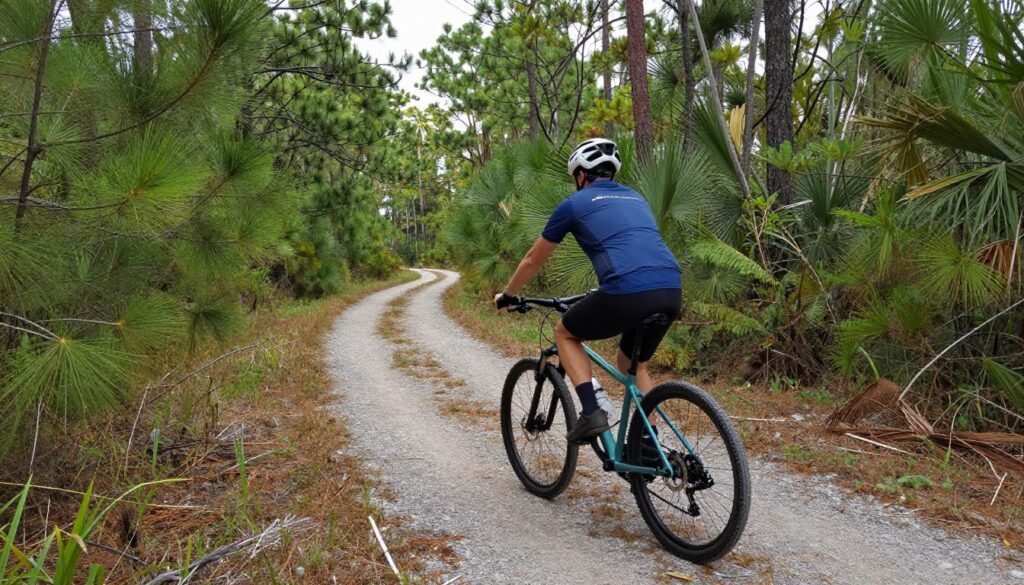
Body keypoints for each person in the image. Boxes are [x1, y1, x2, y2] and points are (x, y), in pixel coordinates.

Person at [494, 138, 682, 444]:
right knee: (631, 364)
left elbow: (532, 260)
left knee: (566, 333)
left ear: (581, 175)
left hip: (625, 290)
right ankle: (651, 442)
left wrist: (508, 295)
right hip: (671, 288)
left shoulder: (574, 204)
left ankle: (592, 412)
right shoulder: (636, 198)